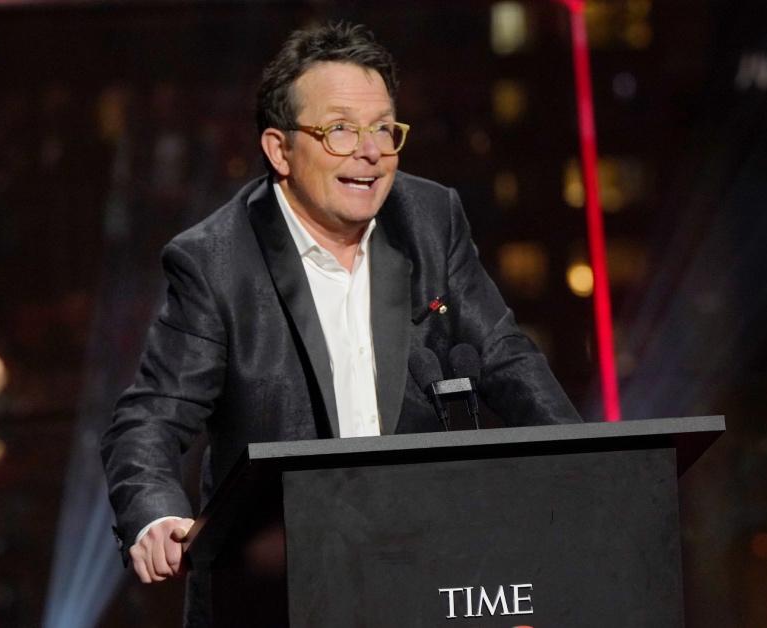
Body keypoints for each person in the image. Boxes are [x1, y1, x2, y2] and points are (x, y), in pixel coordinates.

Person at [101, 20, 581, 618]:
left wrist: (590, 473)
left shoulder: (431, 218)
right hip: (281, 592)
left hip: (426, 580)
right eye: (340, 131)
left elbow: (507, 358)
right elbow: (149, 417)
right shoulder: (215, 261)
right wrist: (155, 514)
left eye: (384, 128)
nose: (372, 152)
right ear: (280, 149)